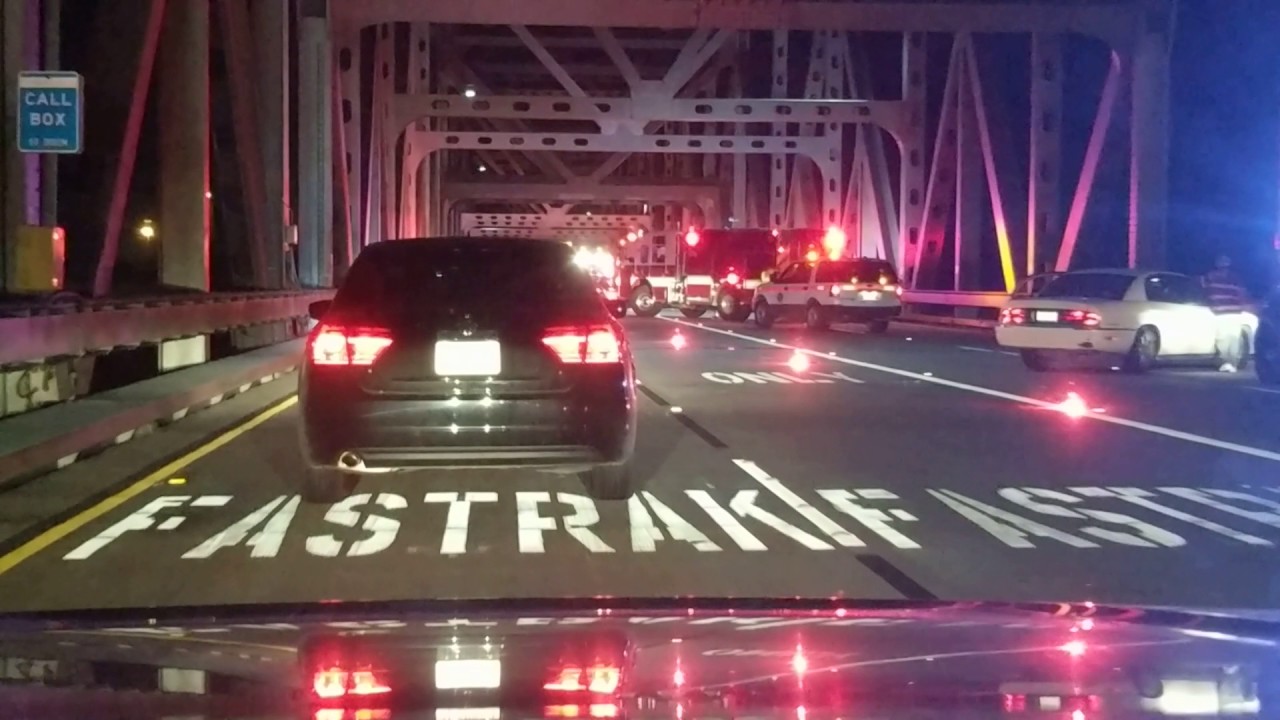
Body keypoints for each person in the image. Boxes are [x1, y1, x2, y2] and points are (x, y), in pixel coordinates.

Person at [1203, 254, 1249, 372]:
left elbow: (1205, 290)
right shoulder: (1236, 278)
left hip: (1221, 312)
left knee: (1223, 339)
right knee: (1233, 339)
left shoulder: (1210, 276)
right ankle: (1232, 363)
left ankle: (1226, 362)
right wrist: (1242, 305)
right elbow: (1242, 293)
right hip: (1234, 311)